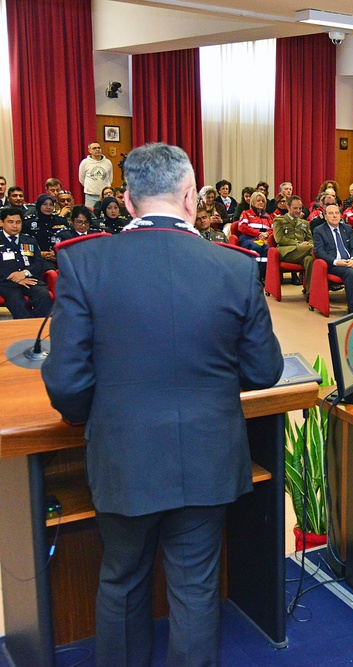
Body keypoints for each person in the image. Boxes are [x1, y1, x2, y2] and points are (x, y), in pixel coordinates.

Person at [41, 143, 283, 666]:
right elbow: (265, 371)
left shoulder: (83, 263)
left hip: (124, 454)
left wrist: (105, 411)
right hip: (208, 451)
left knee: (122, 578)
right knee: (195, 589)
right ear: (192, 196)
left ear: (126, 200)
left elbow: (65, 382)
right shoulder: (235, 267)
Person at [313, 204, 353, 314]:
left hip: (349, 261)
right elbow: (319, 252)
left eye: (336, 213)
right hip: (333, 264)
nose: (334, 216)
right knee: (351, 273)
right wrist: (337, 262)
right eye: (331, 213)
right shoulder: (319, 231)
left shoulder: (347, 228)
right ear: (325, 216)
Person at [1, 207, 53, 319]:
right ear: (1, 223)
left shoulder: (29, 240)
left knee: (43, 296)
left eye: (18, 222)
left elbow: (39, 263)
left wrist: (24, 273)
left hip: (30, 279)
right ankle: (25, 329)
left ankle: (38, 328)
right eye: (10, 222)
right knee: (16, 302)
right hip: (6, 283)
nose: (15, 226)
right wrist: (14, 277)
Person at [272, 195, 315, 291]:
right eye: (295, 208)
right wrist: (299, 244)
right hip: (286, 252)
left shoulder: (305, 223)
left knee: (309, 260)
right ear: (288, 207)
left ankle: (310, 292)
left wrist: (308, 244)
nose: (298, 211)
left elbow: (310, 239)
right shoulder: (279, 221)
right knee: (314, 249)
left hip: (303, 252)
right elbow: (279, 239)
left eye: (300, 208)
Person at [237, 191, 273, 280]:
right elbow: (242, 227)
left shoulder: (267, 216)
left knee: (268, 250)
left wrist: (267, 233)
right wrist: (258, 233)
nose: (261, 203)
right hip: (248, 238)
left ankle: (263, 276)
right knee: (256, 248)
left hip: (264, 239)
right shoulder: (246, 213)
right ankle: (254, 276)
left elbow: (273, 229)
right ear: (253, 202)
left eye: (263, 201)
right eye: (258, 201)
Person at [78, 141, 114, 208]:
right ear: (89, 151)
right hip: (91, 196)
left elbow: (110, 178)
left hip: (105, 195)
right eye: (94, 148)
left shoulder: (108, 162)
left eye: (99, 148)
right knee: (91, 215)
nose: (97, 150)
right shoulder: (85, 162)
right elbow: (82, 179)